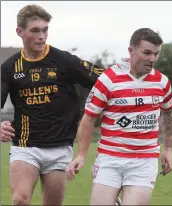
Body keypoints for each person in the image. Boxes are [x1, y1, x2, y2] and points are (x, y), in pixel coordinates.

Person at [0, 4, 106, 206]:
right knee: (20, 200)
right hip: (26, 146)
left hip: (59, 148)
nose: (42, 36)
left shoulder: (63, 60)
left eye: (45, 30)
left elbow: (103, 79)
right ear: (19, 32)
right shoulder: (10, 67)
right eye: (35, 30)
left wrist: (127, 72)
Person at [67, 28, 172, 205]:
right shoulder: (108, 79)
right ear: (131, 50)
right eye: (147, 52)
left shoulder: (162, 82)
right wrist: (81, 155)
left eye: (156, 54)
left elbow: (169, 112)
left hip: (144, 160)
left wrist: (169, 148)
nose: (152, 59)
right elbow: (88, 118)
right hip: (110, 158)